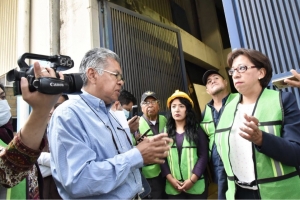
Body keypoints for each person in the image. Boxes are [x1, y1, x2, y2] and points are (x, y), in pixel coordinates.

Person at [48, 48, 171, 199]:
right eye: (115, 75)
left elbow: (121, 159)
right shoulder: (69, 115)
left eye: (121, 76)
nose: (121, 81)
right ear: (92, 75)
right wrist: (137, 155)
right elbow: (79, 180)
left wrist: (145, 150)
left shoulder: (111, 115)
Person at [216, 48, 300, 199]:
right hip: (238, 193)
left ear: (261, 73)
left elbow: (296, 153)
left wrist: (261, 139)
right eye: (233, 70)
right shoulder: (226, 109)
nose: (235, 74)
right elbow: (223, 162)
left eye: (242, 68)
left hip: (278, 192)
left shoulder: (283, 101)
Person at [0, 62, 64, 199]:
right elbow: (9, 169)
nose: (2, 103)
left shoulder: (7, 135)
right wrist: (41, 109)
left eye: (2, 97)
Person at [161, 90, 208, 199]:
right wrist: (171, 180)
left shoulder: (197, 130)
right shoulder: (165, 131)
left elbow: (203, 156)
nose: (177, 109)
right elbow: (161, 158)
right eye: (173, 106)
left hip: (195, 186)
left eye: (181, 106)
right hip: (173, 187)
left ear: (187, 109)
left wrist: (192, 180)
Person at [200, 70, 237, 192]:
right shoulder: (205, 113)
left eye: (216, 78)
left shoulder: (240, 100)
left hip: (240, 162)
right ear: (207, 90)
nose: (213, 81)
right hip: (218, 167)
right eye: (209, 82)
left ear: (226, 82)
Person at [138, 90, 167, 199]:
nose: (150, 105)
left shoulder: (165, 120)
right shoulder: (136, 125)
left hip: (168, 171)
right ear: (141, 107)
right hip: (150, 176)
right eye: (146, 102)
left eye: (153, 102)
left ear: (158, 106)